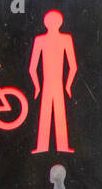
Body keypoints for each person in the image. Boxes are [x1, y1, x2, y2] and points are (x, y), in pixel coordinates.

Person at [28, 9, 77, 154]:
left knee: (47, 113)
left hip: (48, 84)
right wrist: (68, 85)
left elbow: (32, 68)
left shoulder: (42, 40)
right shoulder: (64, 39)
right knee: (58, 112)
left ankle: (44, 146)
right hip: (56, 83)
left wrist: (37, 86)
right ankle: (59, 146)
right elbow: (73, 67)